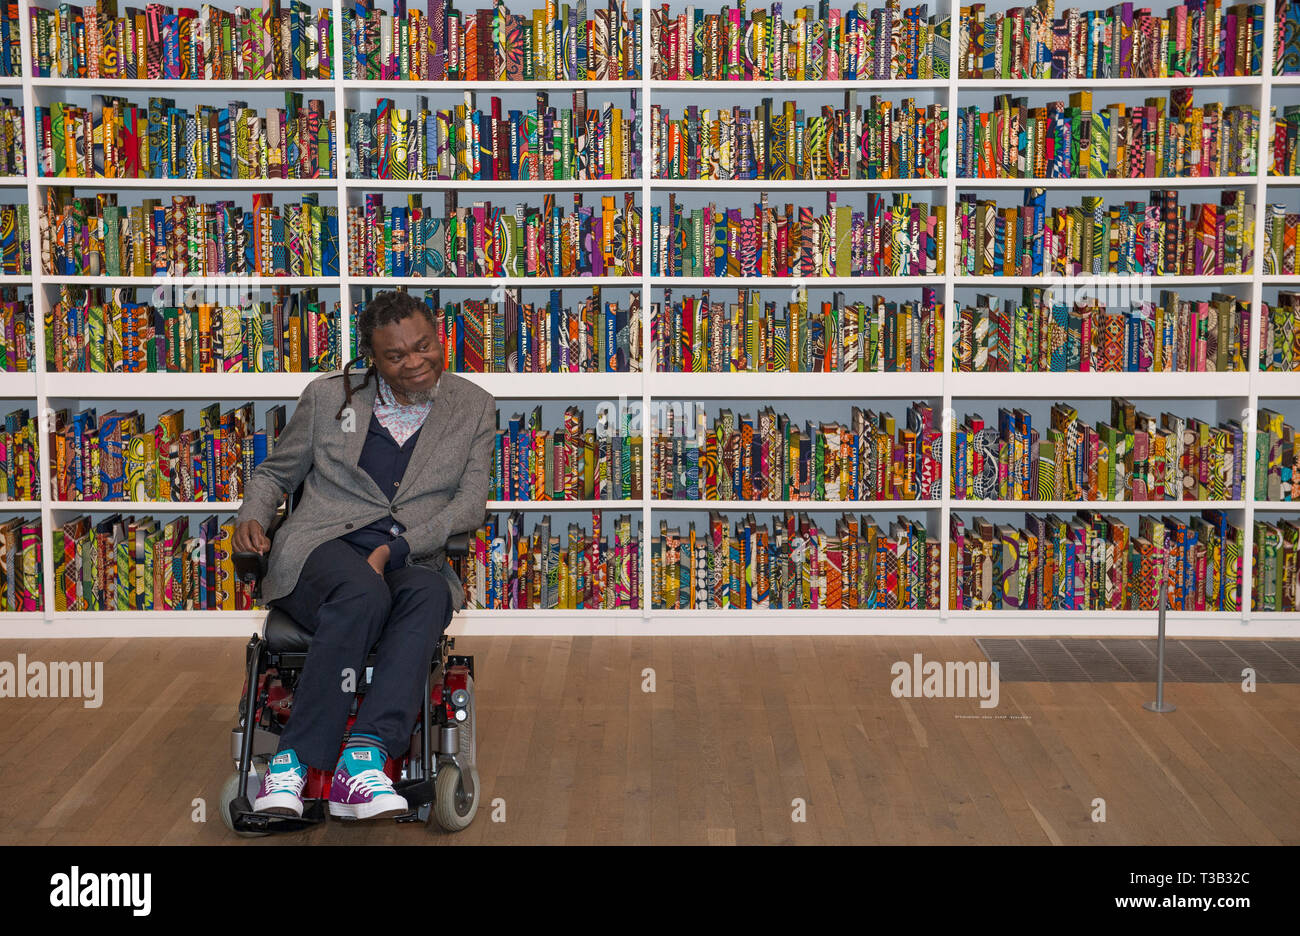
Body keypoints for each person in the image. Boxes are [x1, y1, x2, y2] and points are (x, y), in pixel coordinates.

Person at [233, 290, 495, 821]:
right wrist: (251, 516)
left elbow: (469, 505)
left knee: (426, 592)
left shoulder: (473, 405)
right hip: (321, 547)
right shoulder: (329, 398)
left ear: (438, 335)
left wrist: (396, 548)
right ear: (371, 360)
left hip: (410, 555)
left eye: (424, 346)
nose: (415, 362)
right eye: (396, 356)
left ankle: (364, 759)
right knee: (360, 589)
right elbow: (274, 474)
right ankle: (292, 764)